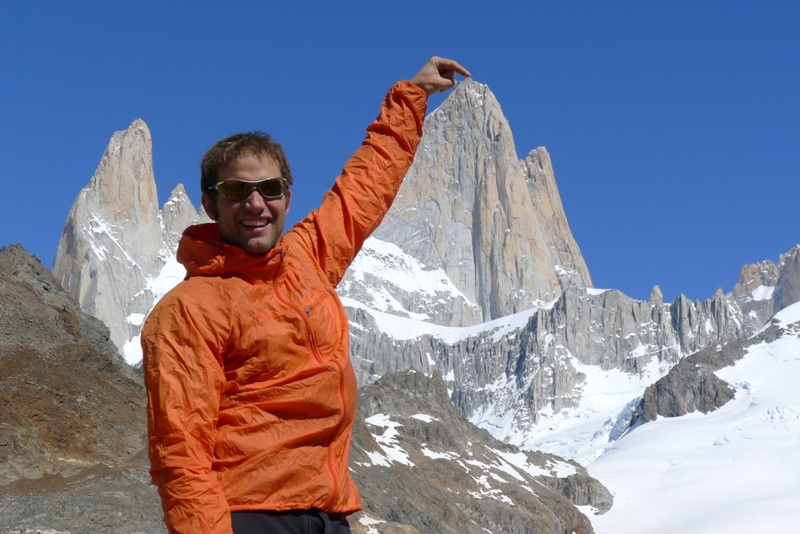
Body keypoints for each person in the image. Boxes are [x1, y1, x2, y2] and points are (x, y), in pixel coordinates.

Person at [142, 56, 470, 534]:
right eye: (237, 190)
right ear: (210, 204)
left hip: (328, 512)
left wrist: (411, 97)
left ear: (287, 197)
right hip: (249, 516)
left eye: (269, 189)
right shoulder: (189, 309)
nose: (256, 204)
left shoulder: (307, 259)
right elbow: (181, 453)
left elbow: (364, 188)